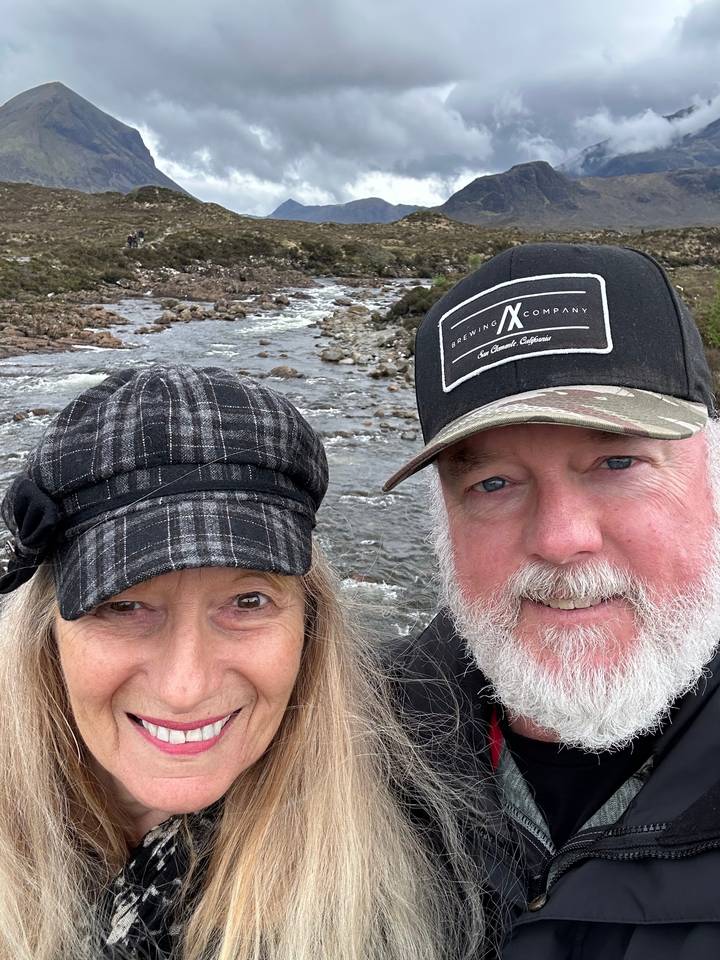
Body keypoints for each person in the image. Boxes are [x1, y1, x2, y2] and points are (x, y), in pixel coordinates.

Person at [0, 365, 484, 960]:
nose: (184, 687)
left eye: (247, 602)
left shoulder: (433, 868)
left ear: (310, 627)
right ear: (45, 634)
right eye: (123, 606)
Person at [384, 243, 720, 958]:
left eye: (618, 462)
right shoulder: (350, 750)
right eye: (494, 484)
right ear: (443, 526)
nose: (561, 538)